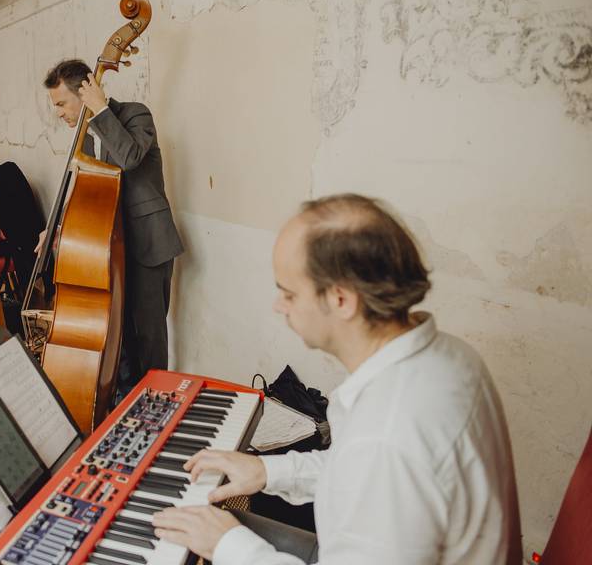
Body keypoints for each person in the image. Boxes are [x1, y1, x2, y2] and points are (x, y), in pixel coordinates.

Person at [151, 194, 522, 564]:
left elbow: (376, 462)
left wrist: (226, 546)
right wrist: (268, 470)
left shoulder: (387, 435)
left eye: (289, 293)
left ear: (342, 300)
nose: (279, 306)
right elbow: (358, 474)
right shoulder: (450, 355)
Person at [40, 59, 184, 394]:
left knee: (149, 337)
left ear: (85, 92)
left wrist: (101, 110)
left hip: (148, 244)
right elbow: (87, 192)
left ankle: (154, 404)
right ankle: (124, 407)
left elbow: (130, 157)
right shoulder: (85, 139)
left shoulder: (135, 115)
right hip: (108, 248)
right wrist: (57, 226)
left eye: (61, 103)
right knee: (119, 337)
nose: (59, 113)